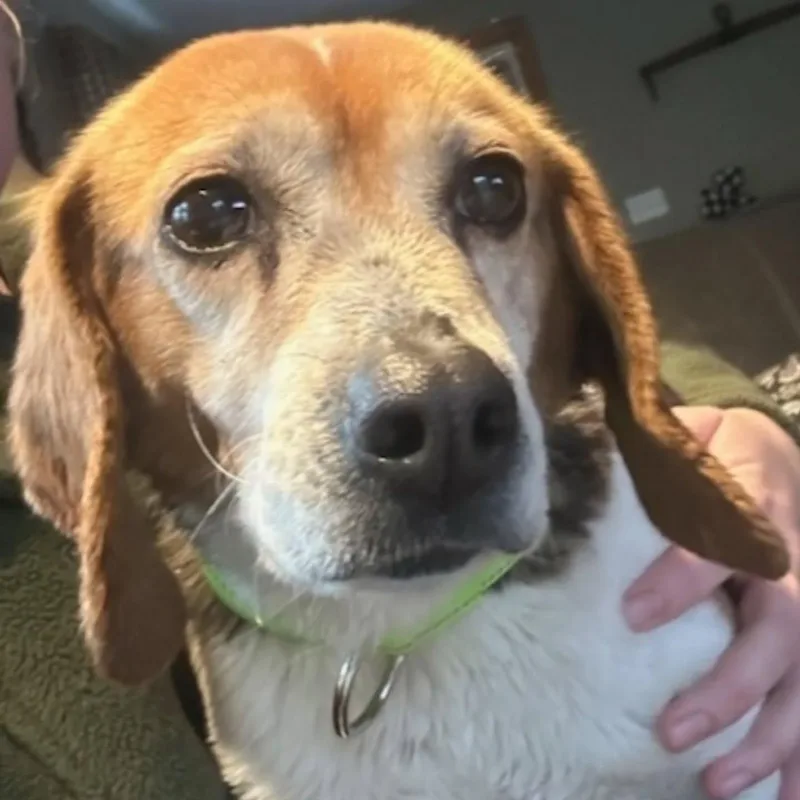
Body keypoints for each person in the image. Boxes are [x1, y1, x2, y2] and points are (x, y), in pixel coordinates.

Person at [1, 3, 799, 798]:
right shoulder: (73, 254)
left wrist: (752, 427)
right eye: (212, 218)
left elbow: (614, 358)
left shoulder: (658, 610)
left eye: (488, 194)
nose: (437, 393)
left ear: (10, 45)